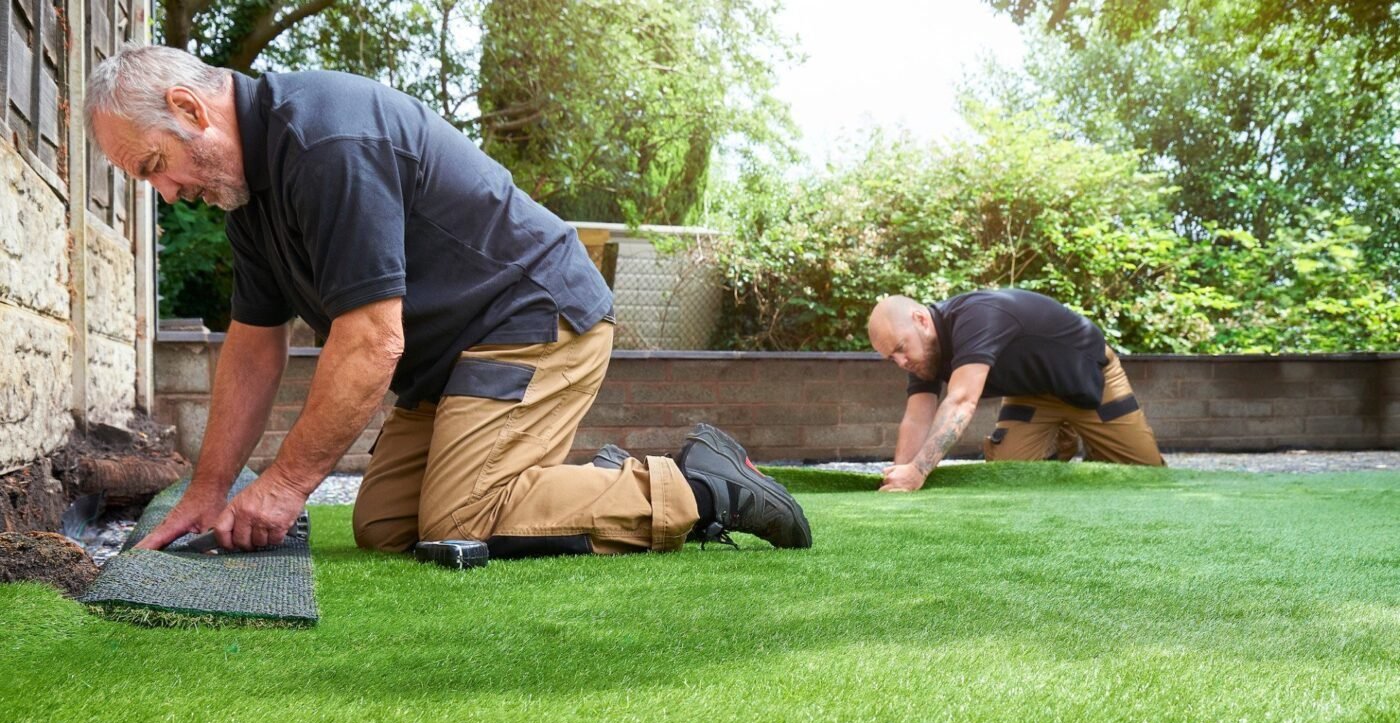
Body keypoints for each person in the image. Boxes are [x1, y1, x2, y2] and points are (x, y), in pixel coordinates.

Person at [85, 45, 810, 556]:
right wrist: (208, 490)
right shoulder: (249, 200)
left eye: (156, 166)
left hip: (534, 316)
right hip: (454, 360)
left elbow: (372, 342)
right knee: (387, 522)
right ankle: (589, 483)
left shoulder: (325, 140)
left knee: (459, 515)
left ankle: (701, 487)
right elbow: (252, 344)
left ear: (190, 107)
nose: (170, 192)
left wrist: (282, 487)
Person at [867, 290, 1165, 492]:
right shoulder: (921, 357)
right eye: (891, 357)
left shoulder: (975, 317)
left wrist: (919, 471)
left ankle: (1073, 432)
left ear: (921, 320)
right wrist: (899, 476)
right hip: (1031, 394)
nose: (900, 362)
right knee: (1007, 475)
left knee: (1148, 476)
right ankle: (1062, 440)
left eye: (900, 349)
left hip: (1089, 379)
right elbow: (918, 416)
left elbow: (961, 401)